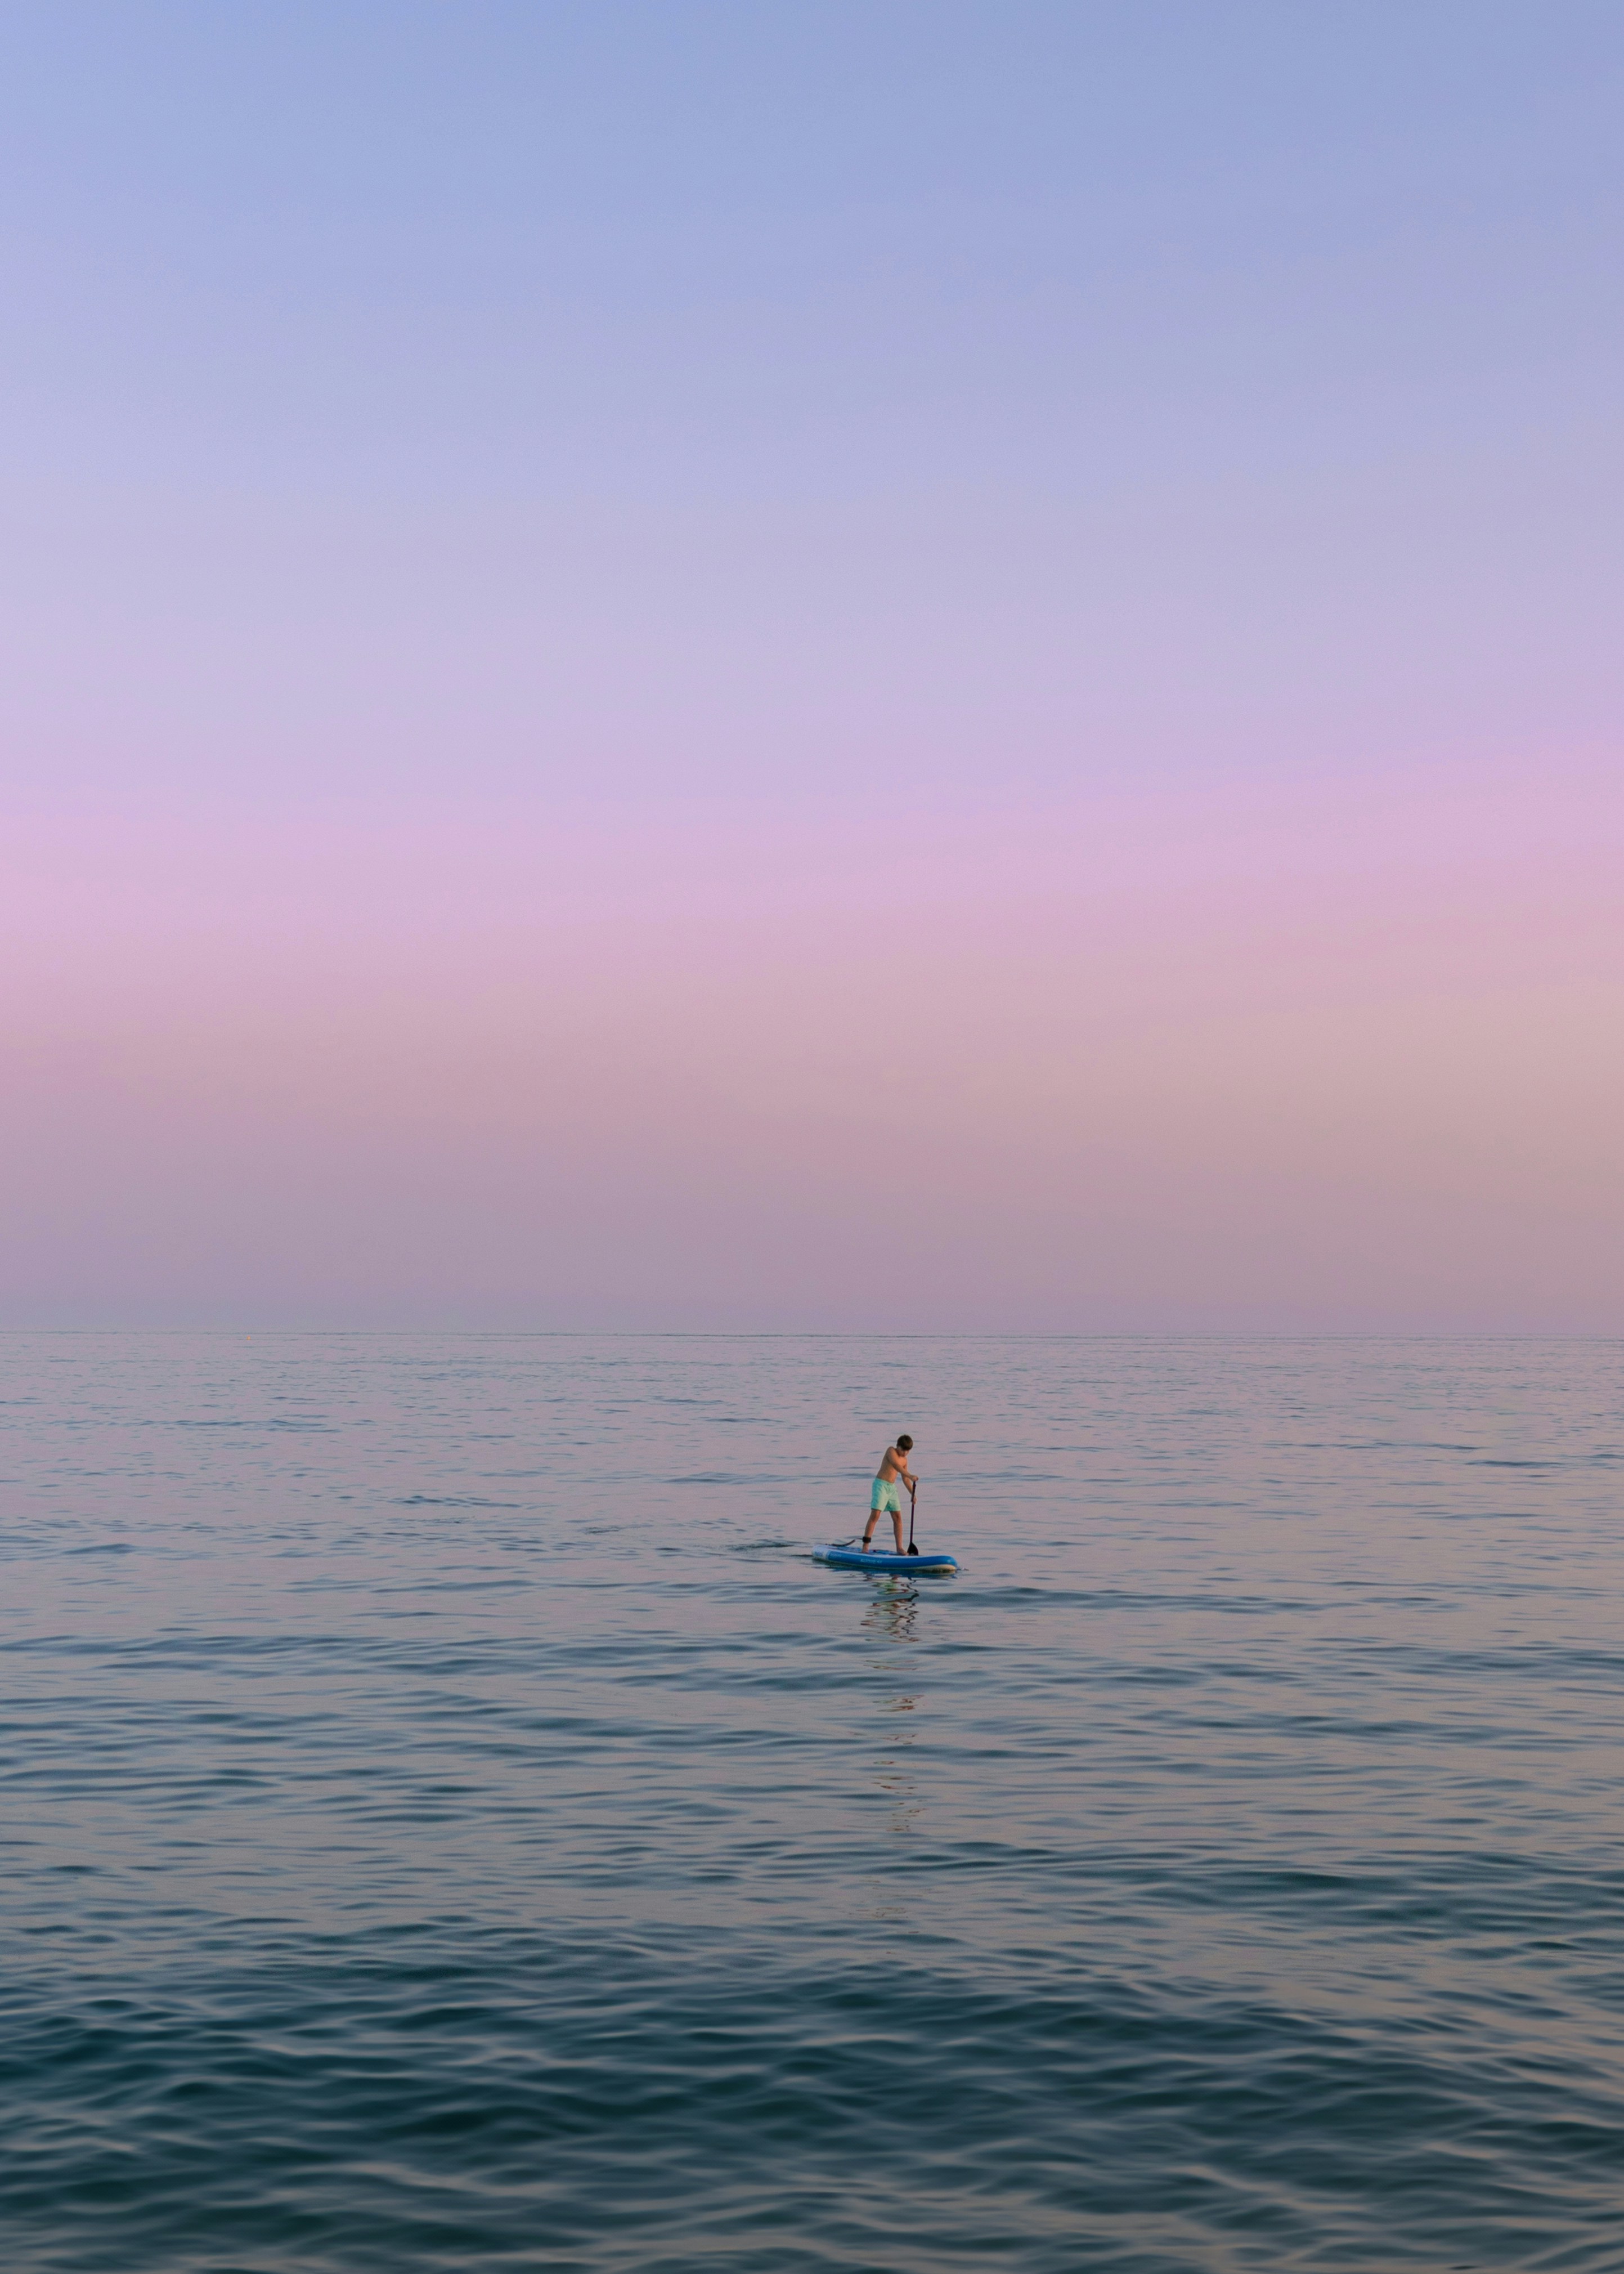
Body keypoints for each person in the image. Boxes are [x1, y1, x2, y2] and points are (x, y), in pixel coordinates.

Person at [861, 1435, 918, 1553]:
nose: (905, 1453)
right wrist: (910, 1475)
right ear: (898, 1446)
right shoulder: (891, 1451)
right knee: (876, 1515)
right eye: (903, 1450)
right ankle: (865, 1547)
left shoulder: (905, 1460)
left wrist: (912, 1494)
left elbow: (905, 1479)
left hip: (892, 1488)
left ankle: (899, 1548)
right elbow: (896, 1465)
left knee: (898, 1517)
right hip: (881, 1486)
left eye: (908, 1451)